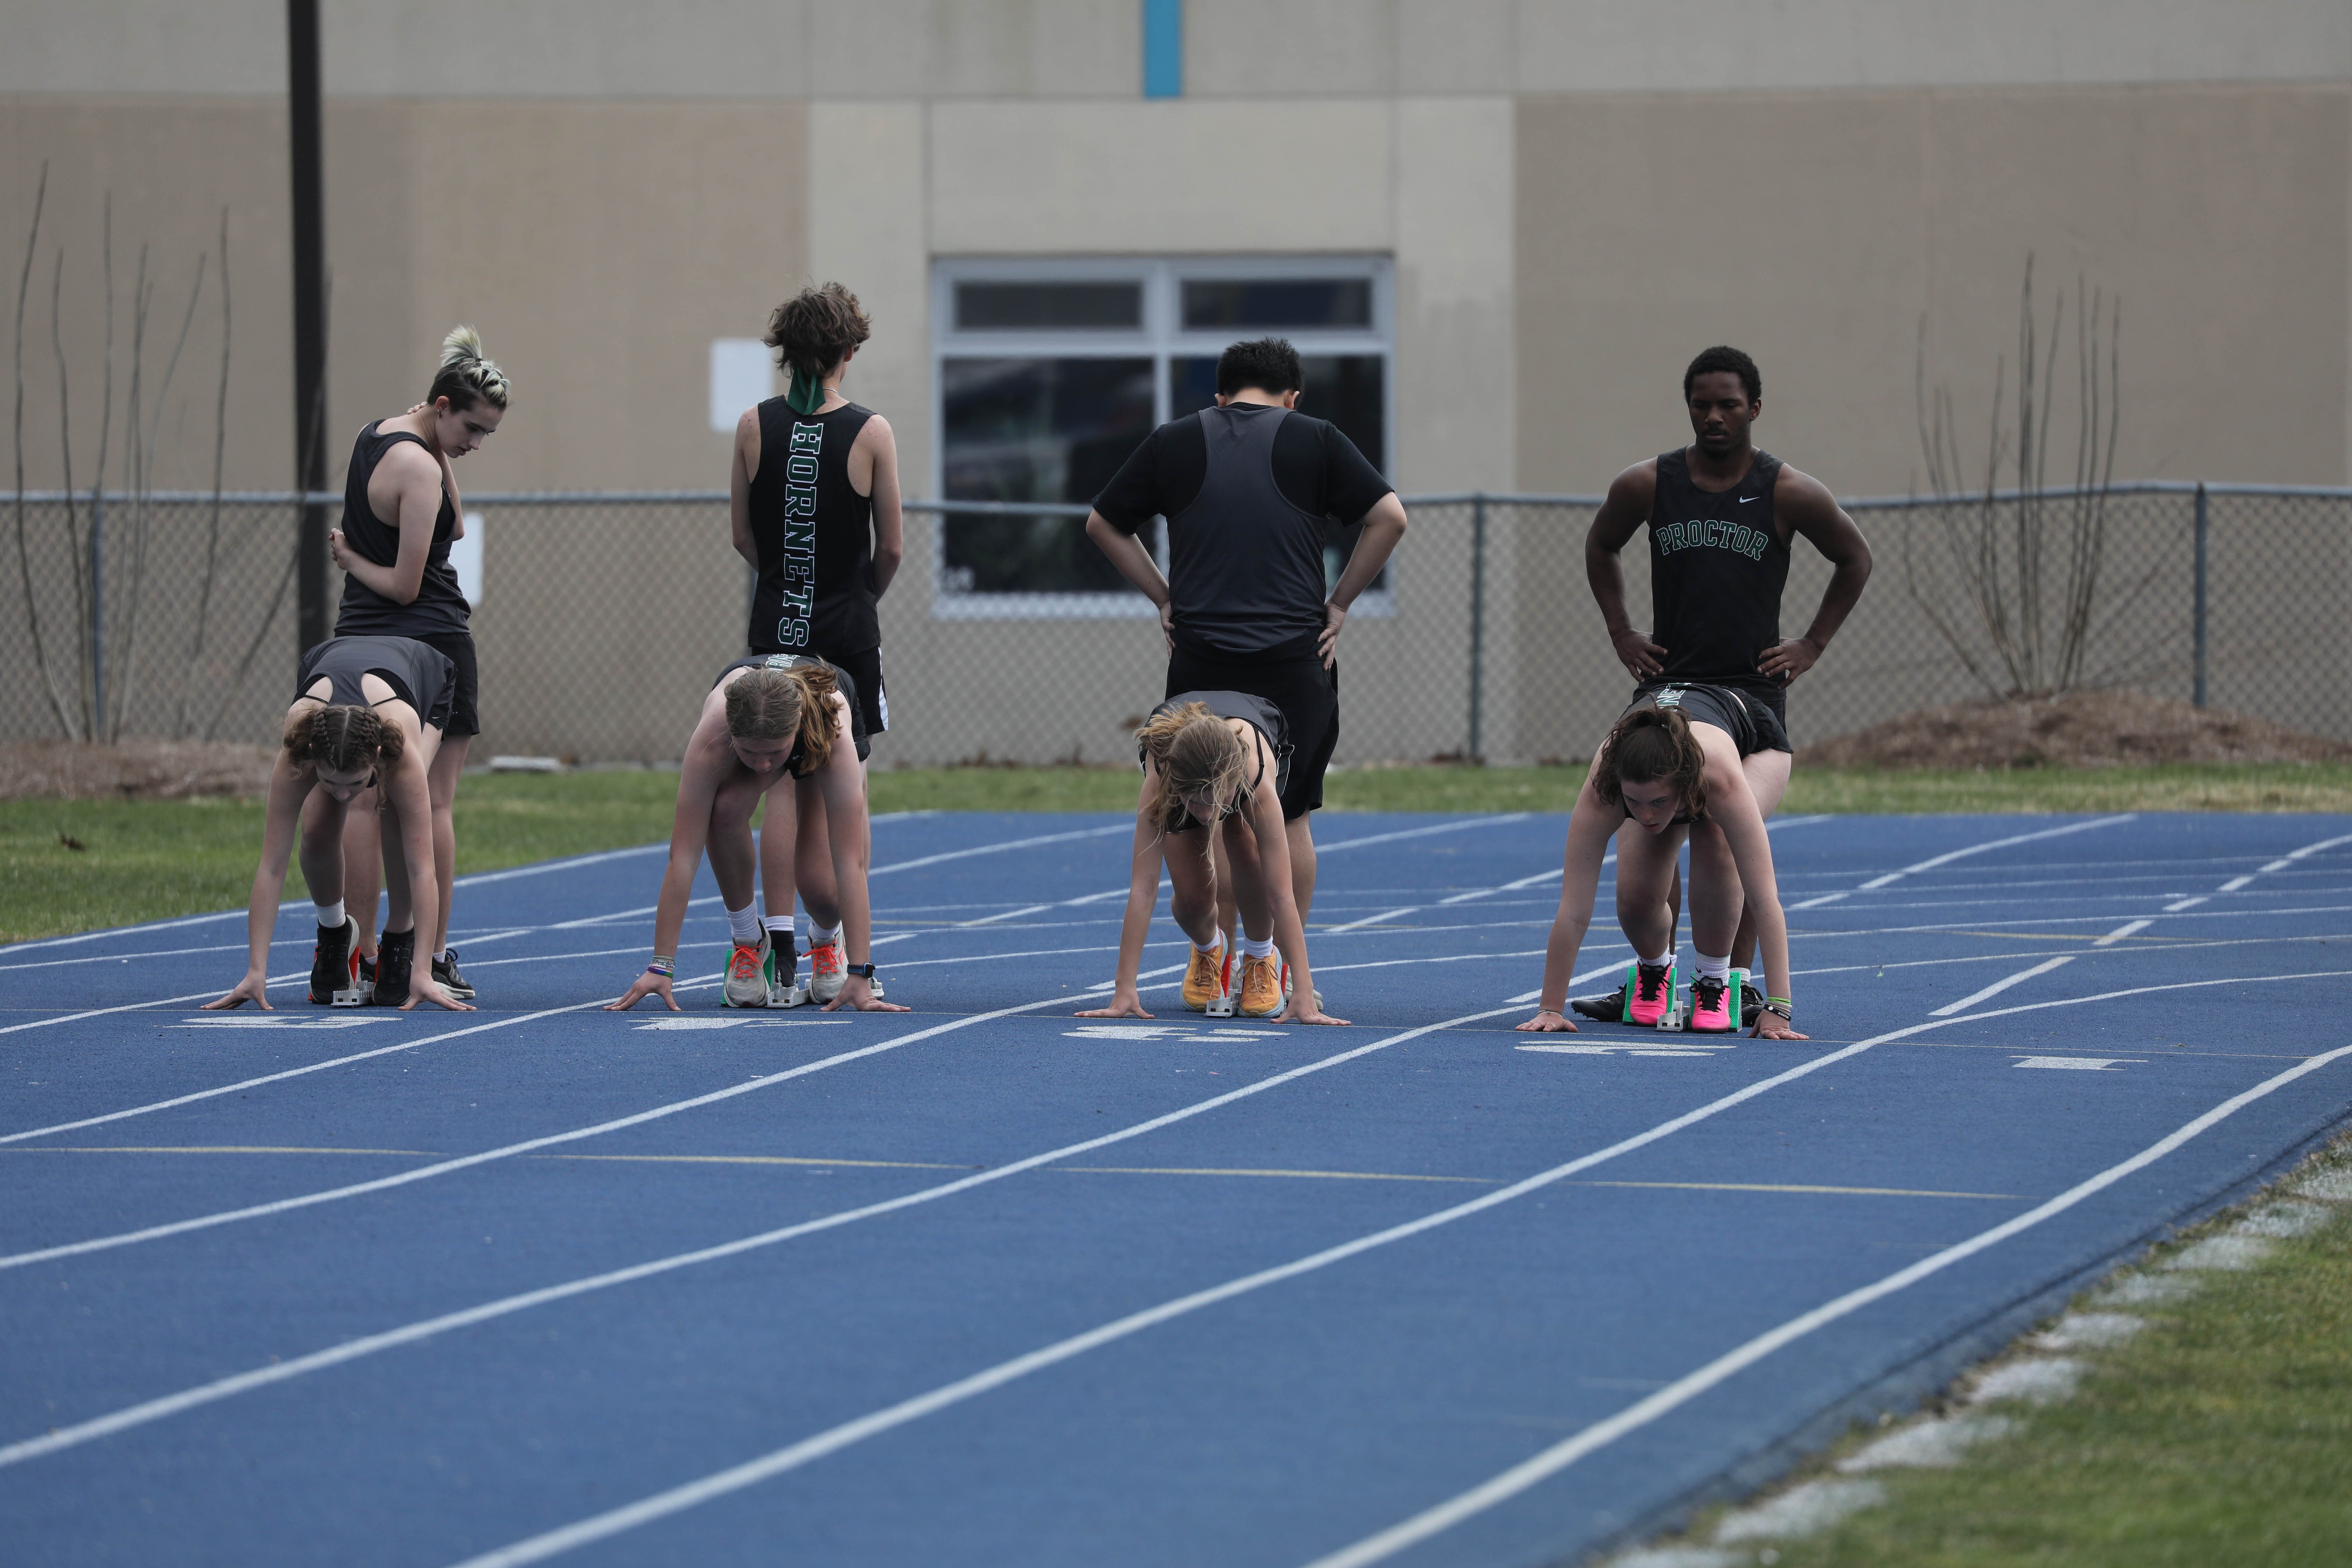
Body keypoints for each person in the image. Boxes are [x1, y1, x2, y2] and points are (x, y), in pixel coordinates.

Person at [1573, 345, 1870, 1018]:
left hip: (1748, 699)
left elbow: (1855, 558)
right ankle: (1657, 974)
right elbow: (1601, 546)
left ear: (1754, 409)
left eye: (1728, 405)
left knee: (1721, 839)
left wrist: (1814, 642)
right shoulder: (1650, 484)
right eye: (1702, 404)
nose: (1714, 416)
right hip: (1670, 690)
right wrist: (1622, 631)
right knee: (1651, 840)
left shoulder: (1787, 490)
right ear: (1688, 407)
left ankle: (1727, 984)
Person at [1085, 336, 1406, 953]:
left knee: (1214, 816)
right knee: (1288, 818)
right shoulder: (1315, 437)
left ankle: (1218, 959)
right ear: (1292, 398)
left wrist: (1163, 596)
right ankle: (1277, 966)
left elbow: (1103, 523)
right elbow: (1390, 517)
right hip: (1296, 655)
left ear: (1220, 396)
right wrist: (1338, 603)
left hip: (1202, 656)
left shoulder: (1176, 439)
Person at [321, 326, 510, 1004]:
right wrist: (351, 561)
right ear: (440, 404)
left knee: (359, 795)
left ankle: (359, 950)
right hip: (426, 639)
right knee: (427, 801)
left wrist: (437, 440)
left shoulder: (376, 434)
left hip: (357, 638)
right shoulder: (422, 467)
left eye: (486, 434)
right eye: (471, 427)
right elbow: (405, 583)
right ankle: (422, 952)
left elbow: (452, 528)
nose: (476, 443)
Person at [732, 282, 904, 1004]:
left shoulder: (752, 425)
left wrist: (785, 587)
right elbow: (890, 546)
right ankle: (834, 951)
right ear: (848, 353)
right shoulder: (871, 433)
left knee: (779, 791)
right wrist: (856, 596)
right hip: (844, 636)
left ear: (785, 355)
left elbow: (744, 536)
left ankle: (774, 956)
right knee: (842, 801)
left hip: (774, 631)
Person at [605, 655, 904, 1015]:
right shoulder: (714, 733)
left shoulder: (830, 720)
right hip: (769, 726)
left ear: (793, 732)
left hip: (817, 730)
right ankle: (749, 938)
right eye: (750, 753)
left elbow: (850, 861)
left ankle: (828, 939)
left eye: (773, 754)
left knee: (822, 890)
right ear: (731, 733)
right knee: (726, 808)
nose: (764, 765)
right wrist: (660, 965)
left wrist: (860, 972)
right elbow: (682, 856)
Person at [205, 635, 470, 1013]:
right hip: (324, 663)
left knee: (397, 812)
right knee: (316, 829)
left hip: (428, 681)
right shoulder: (297, 745)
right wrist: (255, 970)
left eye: (355, 784)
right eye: (331, 782)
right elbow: (271, 865)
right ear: (313, 755)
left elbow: (422, 867)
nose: (344, 795)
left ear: (378, 756)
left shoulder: (399, 747)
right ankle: (335, 929)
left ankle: (400, 938)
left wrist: (423, 971)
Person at [1517, 701, 1806, 1040]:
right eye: (1633, 803)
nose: (1647, 816)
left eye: (1658, 803)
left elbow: (1764, 898)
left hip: (1755, 747)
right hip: (1666, 758)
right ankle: (1655, 971)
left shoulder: (1719, 780)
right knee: (1637, 894)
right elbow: (1574, 910)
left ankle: (1713, 979)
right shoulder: (1604, 789)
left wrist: (1779, 1008)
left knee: (1715, 839)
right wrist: (1550, 1008)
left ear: (1684, 788)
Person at [1078, 695, 1344, 1026]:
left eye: (1215, 803)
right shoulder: (1162, 774)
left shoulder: (1256, 774)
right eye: (1195, 803)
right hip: (1192, 770)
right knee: (1193, 898)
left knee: (1243, 844)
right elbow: (1144, 889)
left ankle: (1261, 958)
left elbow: (1281, 892)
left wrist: (1304, 990)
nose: (1207, 815)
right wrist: (1125, 989)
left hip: (1244, 754)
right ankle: (1209, 946)